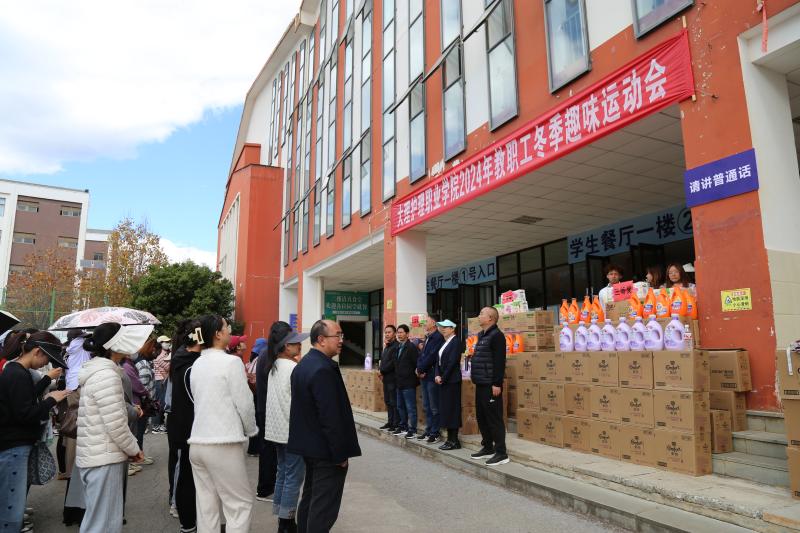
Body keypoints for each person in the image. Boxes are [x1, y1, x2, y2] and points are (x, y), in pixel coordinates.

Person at [288, 320, 361, 533]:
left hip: (310, 447)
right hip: (326, 451)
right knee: (323, 508)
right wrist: (339, 454)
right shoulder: (322, 369)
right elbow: (330, 417)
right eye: (337, 336)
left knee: (311, 498)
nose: (341, 340)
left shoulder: (305, 365)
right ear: (321, 339)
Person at [188, 315, 257, 533]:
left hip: (198, 441)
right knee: (239, 505)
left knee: (206, 506)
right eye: (227, 327)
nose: (230, 331)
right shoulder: (231, 362)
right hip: (223, 441)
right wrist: (251, 430)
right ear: (218, 334)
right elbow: (244, 403)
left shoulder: (197, 363)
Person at [77, 322, 147, 533]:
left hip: (97, 454)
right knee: (104, 524)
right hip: (104, 457)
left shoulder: (98, 371)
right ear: (114, 346)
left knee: (97, 520)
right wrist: (134, 449)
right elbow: (116, 424)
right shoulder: (107, 375)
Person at [0, 331, 69, 532]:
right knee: (11, 510)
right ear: (38, 351)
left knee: (9, 504)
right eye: (47, 358)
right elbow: (25, 414)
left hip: (13, 446)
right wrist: (51, 400)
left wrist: (46, 384)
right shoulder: (17, 374)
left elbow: (25, 399)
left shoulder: (14, 370)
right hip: (14, 447)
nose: (46, 363)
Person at [264, 327, 309, 533]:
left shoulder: (274, 366)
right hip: (292, 431)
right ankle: (287, 522)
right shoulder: (293, 368)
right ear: (284, 346)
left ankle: (281, 518)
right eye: (294, 343)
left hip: (277, 431)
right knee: (293, 477)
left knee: (283, 473)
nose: (299, 345)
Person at [167, 319, 203, 533]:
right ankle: (181, 513)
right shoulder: (189, 362)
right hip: (185, 428)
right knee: (185, 475)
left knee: (184, 473)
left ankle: (183, 512)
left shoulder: (181, 356)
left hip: (182, 426)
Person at [470, 307, 509, 466]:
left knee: (494, 419)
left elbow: (499, 362)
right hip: (480, 382)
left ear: (490, 318)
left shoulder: (497, 336)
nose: (479, 316)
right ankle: (487, 447)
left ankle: (501, 453)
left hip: (490, 385)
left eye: (481, 314)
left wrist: (497, 383)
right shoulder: (482, 335)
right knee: (482, 417)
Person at [255, 329, 278, 503]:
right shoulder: (269, 357)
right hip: (267, 410)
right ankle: (265, 489)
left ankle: (266, 487)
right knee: (268, 451)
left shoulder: (265, 354)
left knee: (267, 450)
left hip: (263, 408)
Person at [416, 312, 445, 443]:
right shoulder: (428, 337)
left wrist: (421, 369)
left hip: (432, 376)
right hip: (424, 376)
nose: (424, 323)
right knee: (426, 405)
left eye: (426, 321)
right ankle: (428, 430)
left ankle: (435, 432)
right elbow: (422, 355)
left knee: (434, 406)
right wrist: (418, 369)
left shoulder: (438, 337)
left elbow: (432, 357)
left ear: (433, 323)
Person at [434, 320, 462, 450]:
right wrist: (437, 374)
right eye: (441, 327)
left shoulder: (456, 342)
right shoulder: (444, 342)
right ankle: (449, 439)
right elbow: (438, 361)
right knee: (446, 409)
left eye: (446, 327)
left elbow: (452, 363)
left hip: (452, 380)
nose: (443, 329)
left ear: (452, 329)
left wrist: (443, 377)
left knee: (452, 409)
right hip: (443, 380)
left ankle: (454, 440)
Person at [392, 324, 420, 439]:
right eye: (398, 332)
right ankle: (403, 426)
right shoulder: (398, 347)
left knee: (410, 407)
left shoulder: (411, 347)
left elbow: (416, 363)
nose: (399, 334)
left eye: (401, 332)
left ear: (407, 334)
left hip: (409, 382)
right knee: (400, 406)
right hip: (399, 382)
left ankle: (412, 429)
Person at [246, 337, 267, 457]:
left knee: (256, 421)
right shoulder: (260, 360)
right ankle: (255, 449)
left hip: (253, 394)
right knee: (258, 422)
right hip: (258, 394)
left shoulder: (253, 359)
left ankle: (253, 449)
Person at [378, 325, 400, 432]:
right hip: (385, 378)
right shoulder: (387, 346)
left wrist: (382, 370)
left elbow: (392, 363)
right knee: (387, 401)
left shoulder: (396, 346)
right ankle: (390, 421)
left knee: (393, 401)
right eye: (385, 332)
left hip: (393, 378)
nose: (387, 334)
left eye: (389, 332)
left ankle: (395, 423)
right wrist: (380, 370)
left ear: (394, 334)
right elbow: (383, 361)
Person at [152, 335, 172, 433]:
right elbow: (168, 368)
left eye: (168, 342)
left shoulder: (165, 353)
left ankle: (160, 423)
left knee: (161, 403)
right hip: (161, 381)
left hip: (162, 380)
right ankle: (156, 425)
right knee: (160, 403)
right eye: (165, 342)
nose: (168, 343)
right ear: (160, 343)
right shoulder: (160, 355)